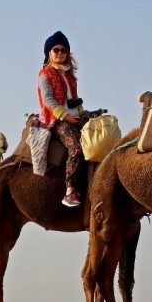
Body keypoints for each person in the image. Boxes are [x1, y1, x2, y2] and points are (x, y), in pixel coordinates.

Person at [37, 30, 86, 207]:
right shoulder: (45, 74)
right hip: (57, 120)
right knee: (77, 149)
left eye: (64, 50)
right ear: (49, 52)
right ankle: (70, 191)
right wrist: (65, 116)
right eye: (56, 49)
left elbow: (75, 100)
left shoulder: (70, 77)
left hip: (74, 118)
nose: (60, 53)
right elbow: (48, 100)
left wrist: (84, 114)